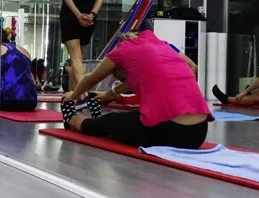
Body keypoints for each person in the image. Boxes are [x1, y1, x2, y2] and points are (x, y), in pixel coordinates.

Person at [61, 30, 211, 149]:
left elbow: (89, 79)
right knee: (132, 119)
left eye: (122, 79)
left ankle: (72, 120)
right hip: (199, 132)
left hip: (171, 131)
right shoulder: (162, 45)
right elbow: (192, 67)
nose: (124, 82)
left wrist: (73, 96)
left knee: (109, 122)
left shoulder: (121, 50)